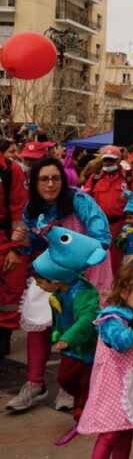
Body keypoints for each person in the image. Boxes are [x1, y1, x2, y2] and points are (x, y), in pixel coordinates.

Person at [6, 156, 112, 414]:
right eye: (44, 178)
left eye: (56, 178)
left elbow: (102, 238)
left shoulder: (80, 201)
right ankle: (35, 383)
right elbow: (36, 245)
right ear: (34, 182)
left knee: (78, 326)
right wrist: (22, 241)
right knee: (38, 321)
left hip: (87, 272)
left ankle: (71, 386)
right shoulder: (31, 208)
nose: (51, 184)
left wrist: (76, 261)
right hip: (51, 275)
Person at [78, 264, 133, 458]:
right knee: (110, 433)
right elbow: (120, 343)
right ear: (125, 293)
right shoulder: (112, 318)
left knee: (127, 429)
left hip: (131, 379)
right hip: (113, 384)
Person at [31, 227, 105, 444]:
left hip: (84, 349)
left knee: (81, 382)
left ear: (56, 281)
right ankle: (86, 408)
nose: (38, 286)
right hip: (71, 348)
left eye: (40, 282)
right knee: (67, 380)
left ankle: (84, 416)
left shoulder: (82, 292)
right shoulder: (63, 290)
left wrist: (68, 338)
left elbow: (87, 318)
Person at [81, 145, 132, 271]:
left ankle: (113, 287)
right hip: (98, 226)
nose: (108, 163)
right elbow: (85, 201)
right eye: (105, 160)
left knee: (115, 262)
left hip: (119, 227)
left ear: (119, 160)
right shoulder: (95, 178)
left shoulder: (128, 178)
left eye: (111, 160)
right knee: (96, 261)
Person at [0, 139, 28, 359]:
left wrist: (16, 248)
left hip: (4, 240)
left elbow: (20, 211)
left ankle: (3, 341)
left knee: (9, 293)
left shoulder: (11, 170)